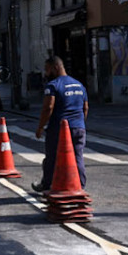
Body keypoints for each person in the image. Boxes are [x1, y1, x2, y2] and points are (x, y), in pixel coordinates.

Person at [31, 56, 88, 194]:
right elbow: (85, 108)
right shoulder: (79, 85)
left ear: (55, 68)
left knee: (51, 157)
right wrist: (80, 123)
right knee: (77, 156)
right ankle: (79, 184)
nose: (45, 73)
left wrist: (40, 127)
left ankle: (47, 184)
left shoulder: (53, 85)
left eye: (47, 69)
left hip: (59, 130)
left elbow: (48, 108)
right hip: (79, 127)